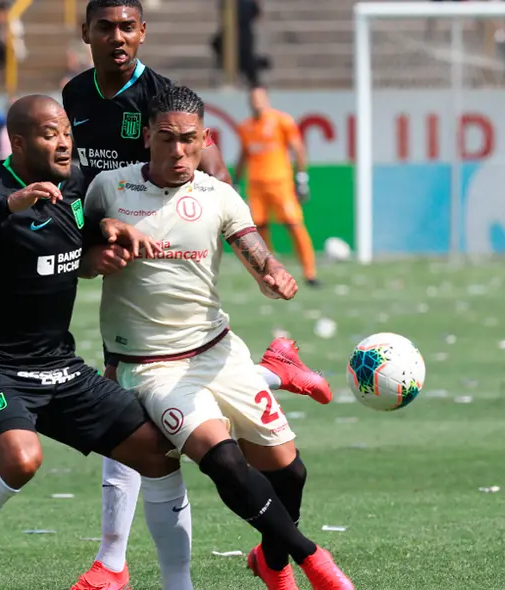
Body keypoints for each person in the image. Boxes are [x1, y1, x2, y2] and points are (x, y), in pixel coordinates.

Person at [64, 2, 332, 588]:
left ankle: (113, 562)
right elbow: (80, 180)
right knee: (137, 427)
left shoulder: (161, 98)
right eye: (105, 26)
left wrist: (212, 227)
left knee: (139, 426)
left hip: (178, 291)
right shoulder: (76, 96)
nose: (117, 37)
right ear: (84, 32)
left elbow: (208, 176)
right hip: (125, 275)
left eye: (127, 26)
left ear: (142, 32)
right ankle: (114, 560)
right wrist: (89, 241)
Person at [0, 95, 195, 590]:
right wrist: (9, 206)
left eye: (67, 130)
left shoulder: (78, 182)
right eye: (50, 133)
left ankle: (172, 583)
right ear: (20, 143)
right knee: (21, 461)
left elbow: (74, 247)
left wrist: (101, 240)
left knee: (159, 453)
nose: (64, 141)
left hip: (60, 365)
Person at [234, 86, 319, 287]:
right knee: (259, 230)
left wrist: (302, 178)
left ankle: (309, 272)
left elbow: (298, 149)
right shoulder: (245, 127)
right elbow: (244, 155)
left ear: (267, 100)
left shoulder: (282, 121)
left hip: (280, 183)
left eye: (260, 99)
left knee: (294, 224)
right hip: (256, 186)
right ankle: (269, 273)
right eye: (253, 99)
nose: (256, 103)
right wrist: (236, 181)